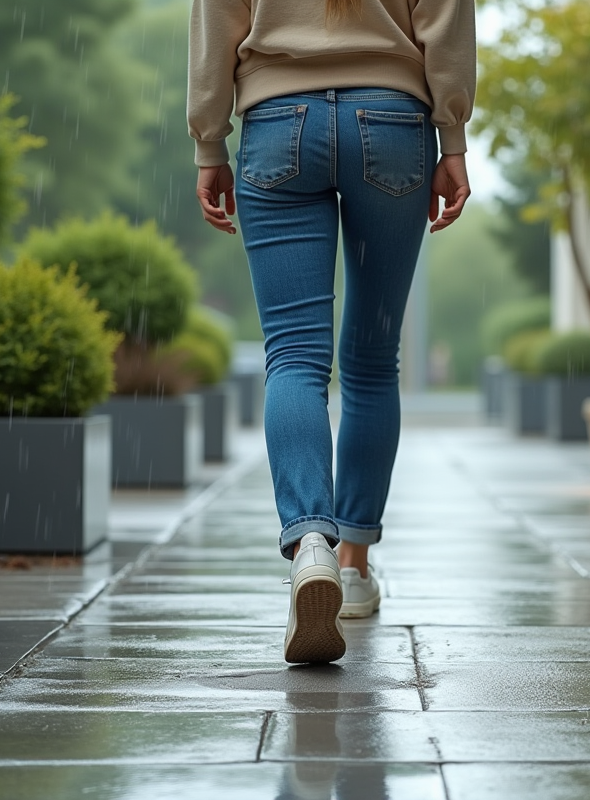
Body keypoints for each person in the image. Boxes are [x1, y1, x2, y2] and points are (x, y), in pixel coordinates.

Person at [188, 0, 475, 664]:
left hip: (278, 121)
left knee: (292, 356)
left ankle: (309, 541)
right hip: (394, 121)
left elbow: (215, 24)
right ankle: (352, 564)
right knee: (373, 360)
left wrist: (209, 140)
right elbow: (447, 20)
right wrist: (452, 137)